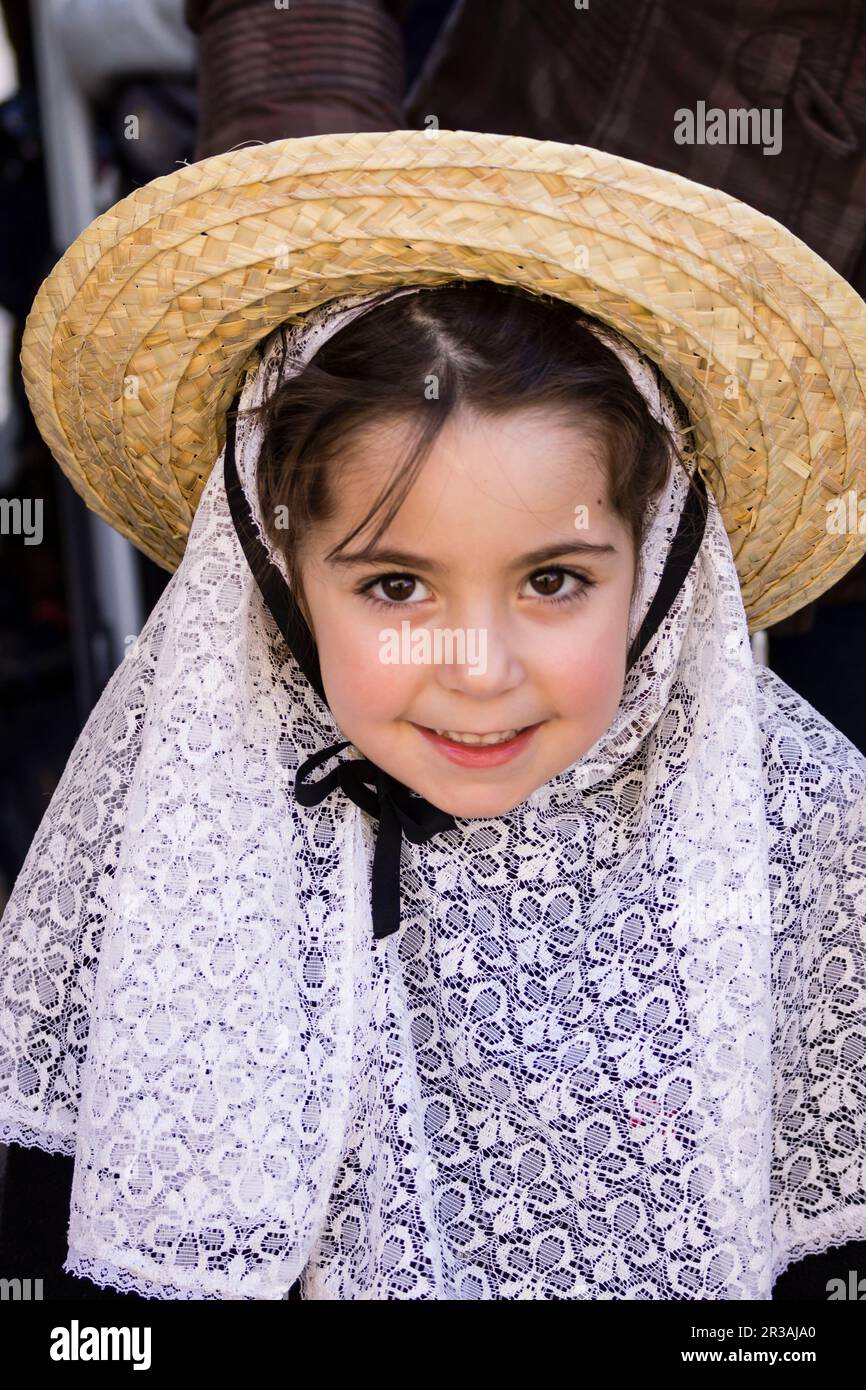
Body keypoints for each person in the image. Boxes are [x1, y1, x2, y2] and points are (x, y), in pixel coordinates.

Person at [1, 127, 866, 1300]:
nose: (475, 666)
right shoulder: (187, 839)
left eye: (552, 580)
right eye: (395, 586)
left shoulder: (798, 837)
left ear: (655, 564)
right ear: (280, 572)